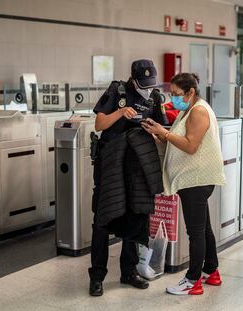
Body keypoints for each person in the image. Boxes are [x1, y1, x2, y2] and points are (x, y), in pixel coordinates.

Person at [141, 73, 226, 295]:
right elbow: (177, 141)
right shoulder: (188, 109)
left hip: (196, 179)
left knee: (195, 232)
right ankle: (211, 271)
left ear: (191, 92)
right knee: (204, 229)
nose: (173, 98)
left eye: (177, 94)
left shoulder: (198, 111)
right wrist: (158, 133)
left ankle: (193, 281)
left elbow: (190, 146)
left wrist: (164, 133)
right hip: (193, 178)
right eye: (172, 94)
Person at [88, 59, 167, 297]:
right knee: (103, 218)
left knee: (136, 215)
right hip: (111, 163)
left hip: (137, 165)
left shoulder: (155, 97)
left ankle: (128, 271)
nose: (147, 88)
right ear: (133, 79)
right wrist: (121, 112)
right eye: (143, 84)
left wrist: (152, 130)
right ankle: (97, 276)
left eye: (151, 84)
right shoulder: (117, 91)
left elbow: (162, 133)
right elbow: (99, 123)